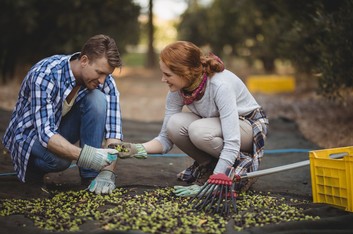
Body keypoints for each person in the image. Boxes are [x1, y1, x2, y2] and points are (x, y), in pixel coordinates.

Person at [112, 41, 268, 194]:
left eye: (168, 75)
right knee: (174, 124)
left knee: (199, 130)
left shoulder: (220, 86)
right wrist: (136, 149)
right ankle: (209, 166)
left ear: (185, 72)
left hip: (248, 127)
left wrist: (215, 182)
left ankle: (237, 170)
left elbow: (232, 142)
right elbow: (166, 139)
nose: (163, 79)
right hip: (216, 125)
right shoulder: (178, 90)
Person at [2, 34, 123, 195]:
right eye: (99, 72)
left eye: (107, 74)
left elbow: (114, 132)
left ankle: (90, 176)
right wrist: (89, 156)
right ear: (84, 61)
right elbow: (45, 134)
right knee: (60, 161)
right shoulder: (46, 75)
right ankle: (32, 169)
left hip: (58, 130)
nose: (102, 80)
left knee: (97, 99)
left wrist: (107, 172)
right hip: (29, 136)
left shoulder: (105, 81)